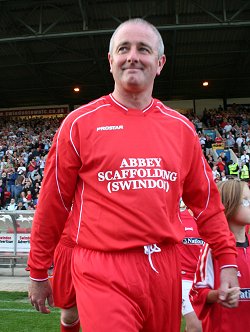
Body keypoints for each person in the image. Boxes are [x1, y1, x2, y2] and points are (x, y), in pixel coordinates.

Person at [28, 18, 239, 332]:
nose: (133, 56)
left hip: (165, 265)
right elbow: (52, 204)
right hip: (102, 266)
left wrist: (228, 260)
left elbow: (207, 203)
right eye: (123, 48)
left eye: (143, 49)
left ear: (160, 62)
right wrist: (37, 271)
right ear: (111, 60)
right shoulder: (79, 124)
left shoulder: (181, 129)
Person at [190, 179, 250, 331]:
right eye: (245, 201)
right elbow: (197, 293)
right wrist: (219, 295)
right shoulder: (212, 249)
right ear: (228, 206)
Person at [177, 200, 204, 332]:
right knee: (197, 326)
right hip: (184, 279)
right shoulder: (178, 218)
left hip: (206, 280)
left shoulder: (212, 221)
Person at [50, 222, 80, 332]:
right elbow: (44, 222)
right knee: (69, 316)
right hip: (68, 250)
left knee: (104, 312)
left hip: (105, 248)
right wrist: (37, 273)